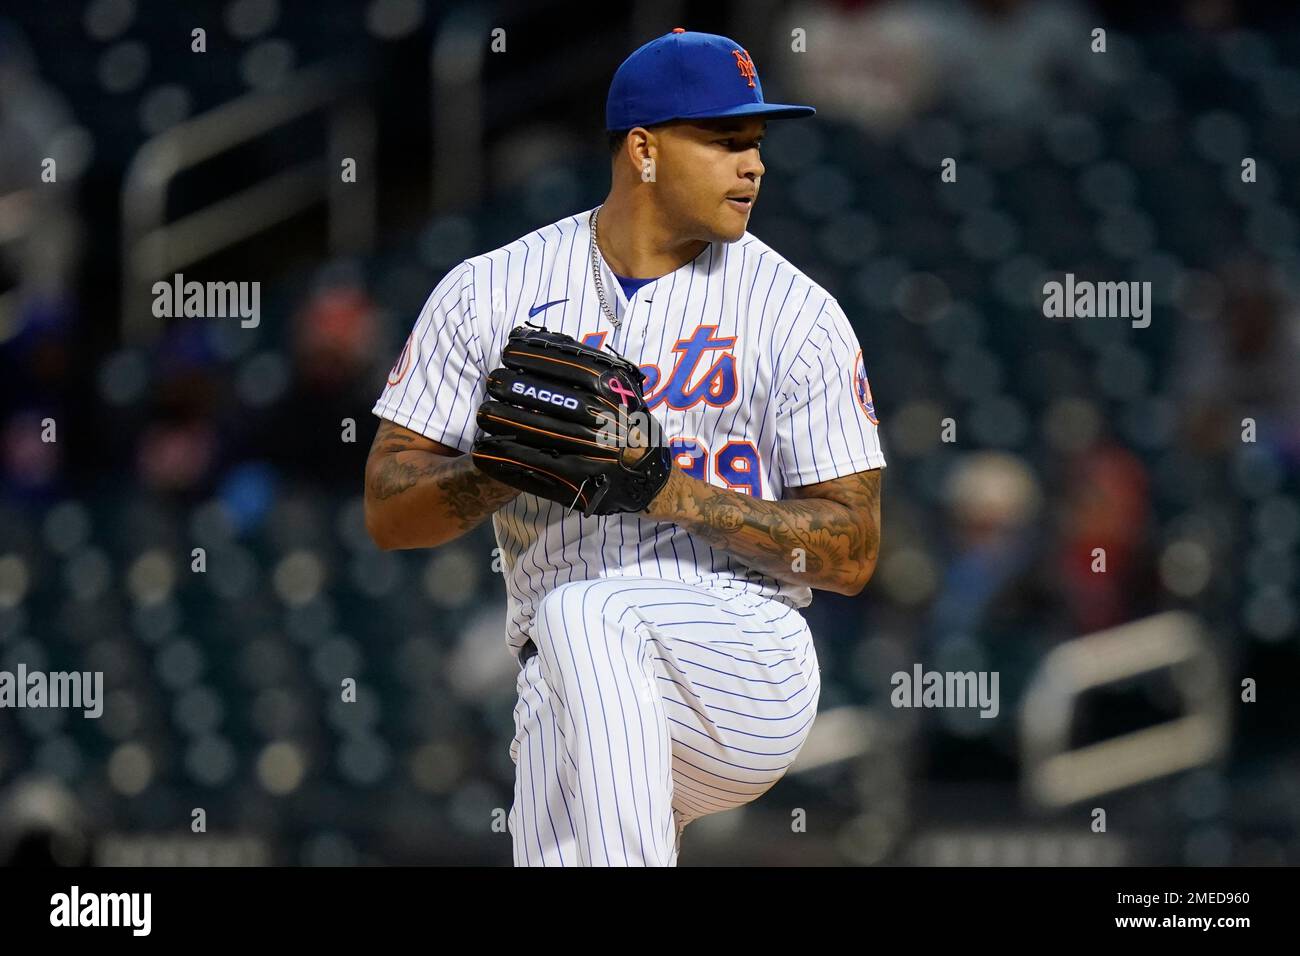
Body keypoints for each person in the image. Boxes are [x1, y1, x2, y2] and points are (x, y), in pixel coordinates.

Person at [364, 29, 886, 865]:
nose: (753, 165)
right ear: (643, 150)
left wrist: (665, 490)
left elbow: (854, 550)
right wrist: (502, 467)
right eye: (724, 141)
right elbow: (391, 510)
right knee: (563, 684)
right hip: (568, 678)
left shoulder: (797, 313)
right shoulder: (487, 291)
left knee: (584, 607)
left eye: (755, 144)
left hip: (743, 657)